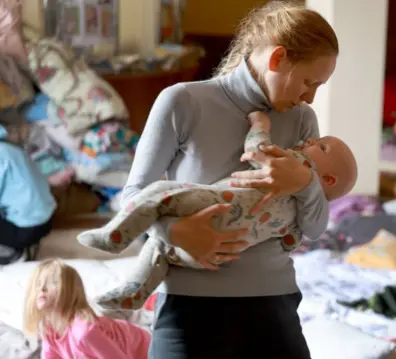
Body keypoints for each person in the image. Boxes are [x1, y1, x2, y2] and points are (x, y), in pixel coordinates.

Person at [120, 2, 339, 358]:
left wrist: (306, 183)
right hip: (188, 300)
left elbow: (314, 228)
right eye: (308, 82)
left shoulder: (301, 120)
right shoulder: (182, 101)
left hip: (272, 300)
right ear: (278, 58)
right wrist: (173, 232)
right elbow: (130, 197)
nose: (310, 97)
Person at [78, 111, 357, 310]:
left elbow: (257, 150)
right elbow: (291, 239)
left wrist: (260, 123)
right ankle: (134, 294)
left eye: (321, 146)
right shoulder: (306, 210)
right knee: (162, 249)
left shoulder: (296, 165)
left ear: (328, 179)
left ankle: (114, 234)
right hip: (230, 245)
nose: (310, 141)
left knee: (159, 194)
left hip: (220, 203)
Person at [23, 259, 151, 358]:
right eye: (38, 284)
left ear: (70, 291)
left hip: (147, 350)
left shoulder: (84, 332)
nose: (42, 289)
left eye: (53, 283)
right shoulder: (47, 328)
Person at [0, 141, 56, 264]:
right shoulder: (8, 148)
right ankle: (22, 245)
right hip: (47, 219)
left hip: (27, 228)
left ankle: (13, 254)